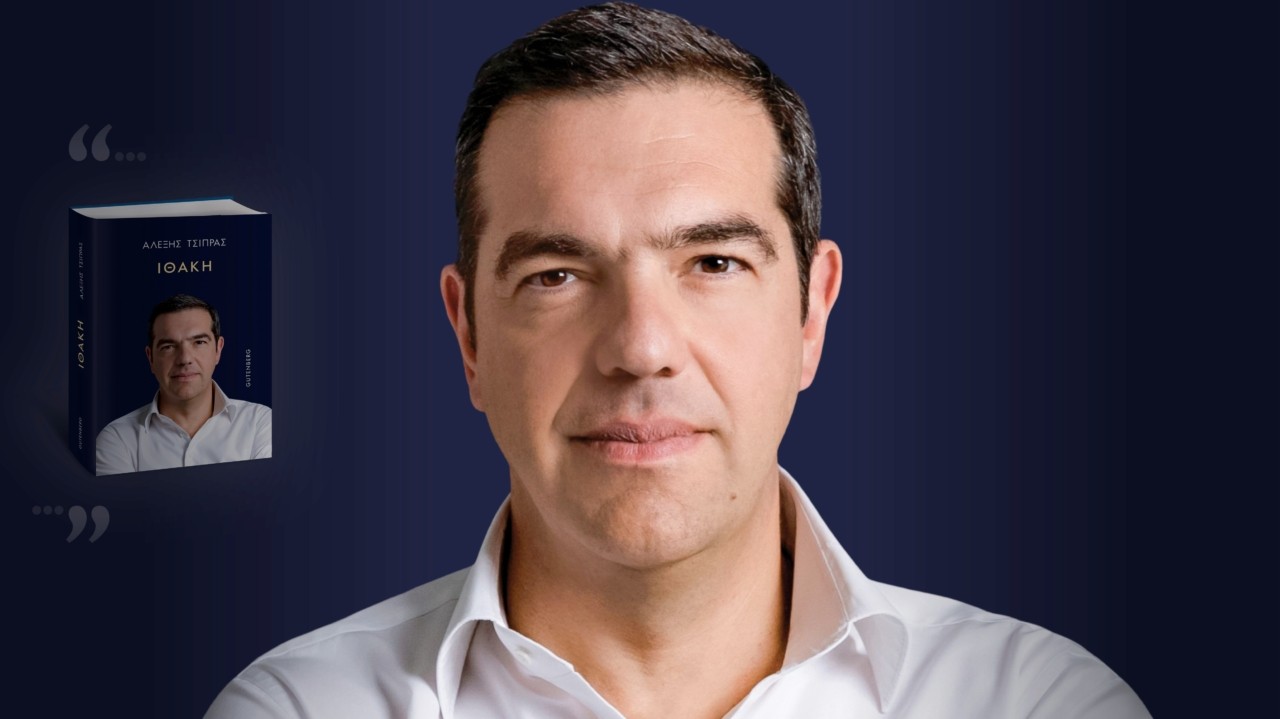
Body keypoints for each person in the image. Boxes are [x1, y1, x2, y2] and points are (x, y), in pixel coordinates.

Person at [207, 4, 1148, 717]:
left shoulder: (1038, 701)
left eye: (713, 263)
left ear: (812, 312)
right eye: (556, 275)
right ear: (470, 337)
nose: (641, 348)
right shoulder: (300, 707)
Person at [95, 293, 272, 475]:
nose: (185, 359)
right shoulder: (117, 439)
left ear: (218, 350)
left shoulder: (260, 423)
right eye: (168, 347)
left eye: (199, 342)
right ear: (151, 358)